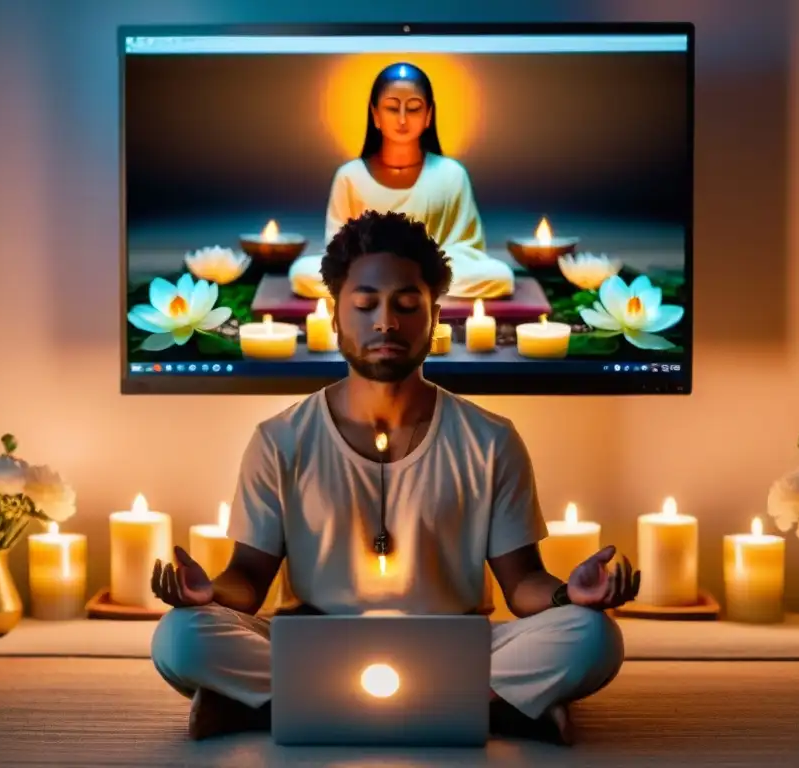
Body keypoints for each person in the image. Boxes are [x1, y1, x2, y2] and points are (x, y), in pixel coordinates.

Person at [150, 210, 639, 744]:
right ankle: (484, 707)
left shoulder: (490, 439)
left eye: (407, 305)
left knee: (592, 638)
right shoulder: (280, 439)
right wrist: (208, 594)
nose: (386, 322)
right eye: (365, 305)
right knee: (180, 638)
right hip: (312, 641)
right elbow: (247, 578)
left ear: (434, 317)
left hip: (456, 642)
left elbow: (522, 584)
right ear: (336, 317)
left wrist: (571, 596)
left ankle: (282, 706)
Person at [288, 61, 516, 301]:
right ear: (375, 114)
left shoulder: (451, 174)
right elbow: (337, 251)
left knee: (499, 276)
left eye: (414, 108)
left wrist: (421, 263)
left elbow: (466, 249)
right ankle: (407, 292)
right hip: (370, 272)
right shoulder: (350, 176)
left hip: (428, 272)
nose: (403, 119)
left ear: (428, 115)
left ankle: (391, 291)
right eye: (392, 108)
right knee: (302, 273)